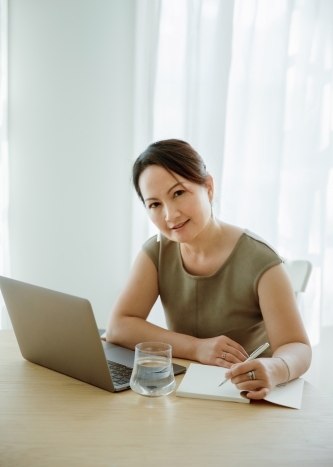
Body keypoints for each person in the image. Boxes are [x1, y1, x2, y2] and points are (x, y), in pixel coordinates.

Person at [106, 139, 311, 400]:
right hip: (187, 392)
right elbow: (119, 326)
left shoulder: (261, 260)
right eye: (155, 204)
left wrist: (276, 369)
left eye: (178, 193)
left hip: (247, 396)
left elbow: (298, 346)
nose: (170, 215)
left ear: (209, 188)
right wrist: (197, 348)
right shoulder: (156, 252)